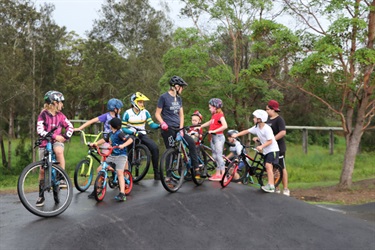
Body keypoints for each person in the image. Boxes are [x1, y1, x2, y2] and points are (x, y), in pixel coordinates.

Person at [155, 76, 202, 178]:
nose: (182, 89)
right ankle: (168, 177)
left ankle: (196, 168)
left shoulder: (179, 99)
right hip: (168, 128)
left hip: (178, 128)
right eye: (181, 87)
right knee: (170, 150)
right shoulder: (163, 97)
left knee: (191, 143)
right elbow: (157, 114)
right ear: (176, 86)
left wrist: (181, 129)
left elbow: (181, 115)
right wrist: (162, 123)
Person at [36, 90, 74, 206]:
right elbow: (40, 130)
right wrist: (53, 135)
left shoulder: (61, 116)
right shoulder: (43, 115)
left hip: (57, 142)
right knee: (42, 170)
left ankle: (61, 177)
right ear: (54, 103)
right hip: (45, 143)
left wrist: (64, 137)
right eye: (61, 102)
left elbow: (70, 127)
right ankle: (41, 195)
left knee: (58, 150)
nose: (62, 105)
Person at [232, 109, 279, 193]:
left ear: (260, 119)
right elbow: (247, 131)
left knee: (268, 166)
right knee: (266, 166)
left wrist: (261, 146)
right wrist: (237, 134)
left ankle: (271, 186)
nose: (253, 119)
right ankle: (269, 184)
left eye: (254, 117)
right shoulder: (256, 127)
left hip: (273, 150)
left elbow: (270, 141)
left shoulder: (266, 129)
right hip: (266, 151)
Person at [89, 118, 133, 201]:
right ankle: (97, 189)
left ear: (112, 126)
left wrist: (123, 145)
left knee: (120, 173)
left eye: (110, 124)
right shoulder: (111, 134)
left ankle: (122, 193)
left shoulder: (120, 134)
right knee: (99, 169)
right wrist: (96, 143)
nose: (109, 125)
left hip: (121, 156)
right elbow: (104, 139)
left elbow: (130, 139)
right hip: (112, 156)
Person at [122, 92, 161, 180]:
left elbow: (151, 124)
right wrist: (132, 133)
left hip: (142, 134)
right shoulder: (127, 113)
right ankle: (127, 175)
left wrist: (159, 125)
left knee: (154, 148)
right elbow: (123, 128)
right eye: (140, 102)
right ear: (134, 102)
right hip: (131, 135)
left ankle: (156, 173)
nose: (142, 104)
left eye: (142, 102)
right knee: (129, 155)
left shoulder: (145, 112)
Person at [199, 98, 228, 181]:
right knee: (215, 156)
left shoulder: (220, 115)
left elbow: (225, 126)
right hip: (213, 138)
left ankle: (224, 175)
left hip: (218, 137)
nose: (209, 109)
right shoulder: (214, 115)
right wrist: (200, 126)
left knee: (219, 156)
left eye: (210, 107)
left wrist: (214, 131)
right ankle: (218, 174)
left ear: (215, 107)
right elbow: (210, 122)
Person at [266, 100, 290, 196]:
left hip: (279, 148)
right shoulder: (267, 120)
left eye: (267, 109)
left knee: (281, 167)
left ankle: (285, 188)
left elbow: (283, 132)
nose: (266, 111)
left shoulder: (279, 120)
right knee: (273, 168)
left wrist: (273, 139)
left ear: (273, 110)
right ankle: (276, 186)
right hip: (270, 148)